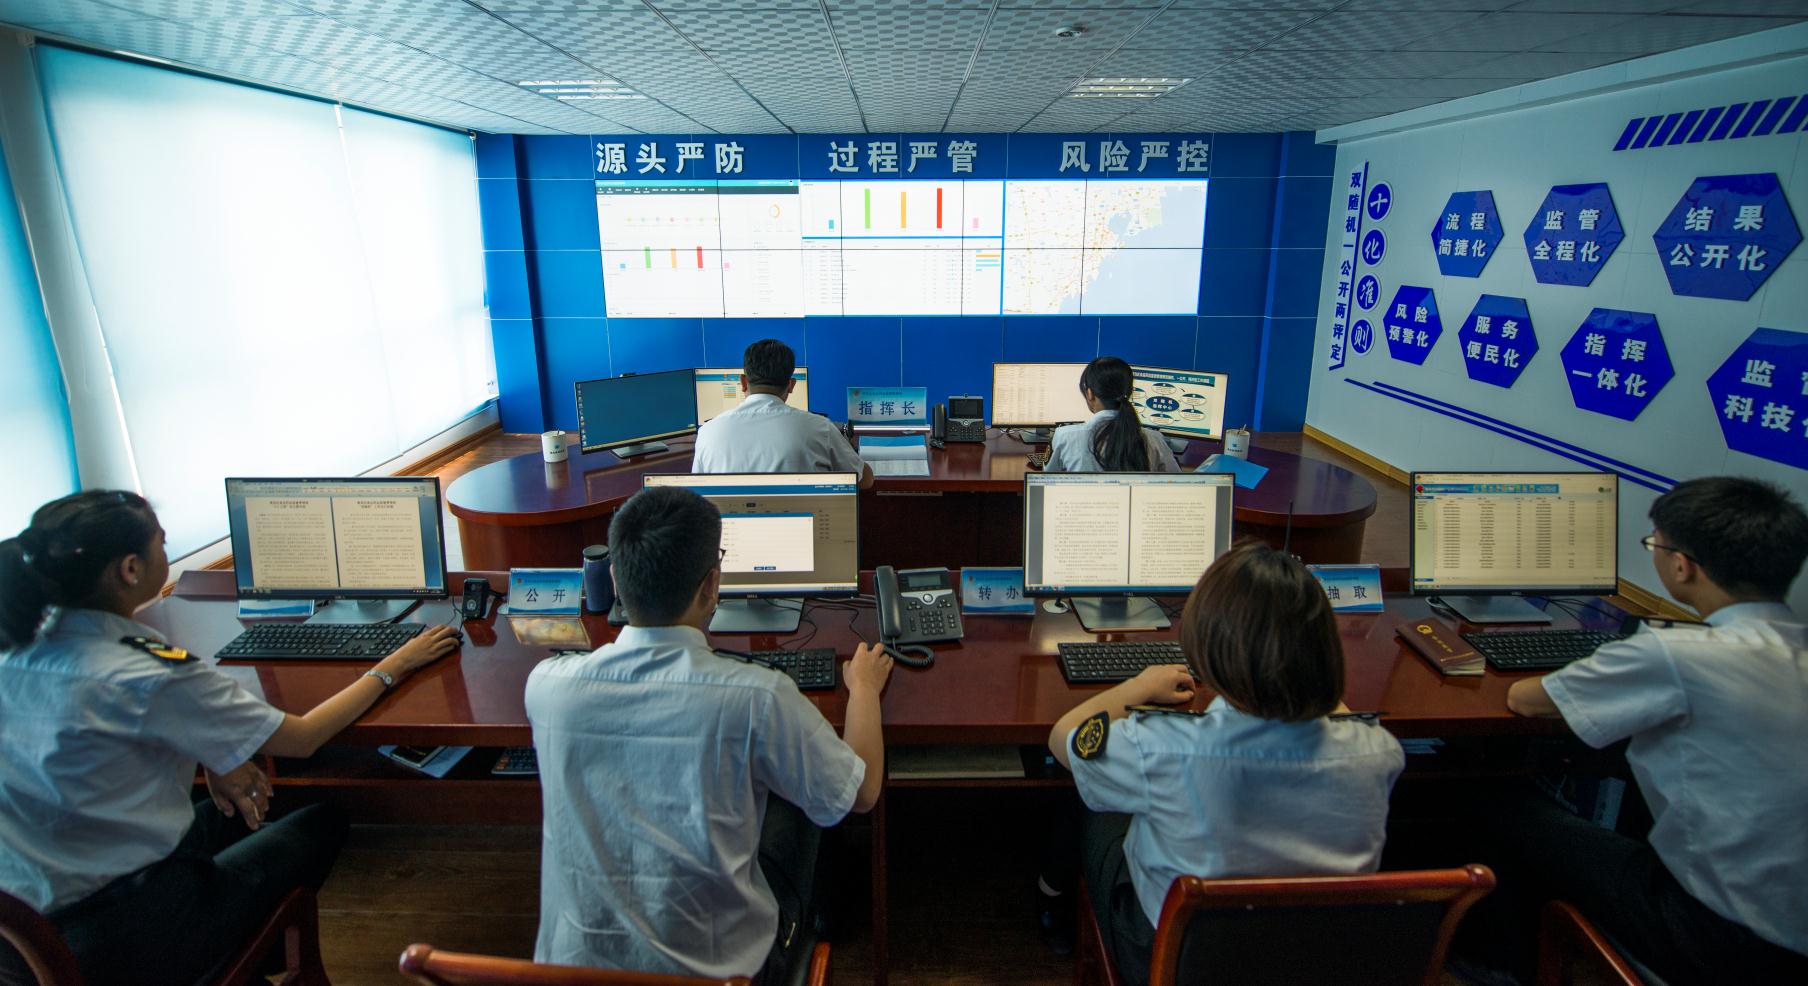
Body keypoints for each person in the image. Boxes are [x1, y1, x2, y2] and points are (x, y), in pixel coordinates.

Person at [0, 490, 460, 986]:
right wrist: (394, 665)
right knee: (321, 820)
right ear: (130, 569)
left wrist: (219, 753)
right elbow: (303, 739)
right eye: (162, 543)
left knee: (236, 809)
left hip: (22, 936)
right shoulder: (147, 671)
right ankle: (230, 958)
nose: (167, 551)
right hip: (130, 934)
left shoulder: (17, 649)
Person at [526, 485, 891, 983]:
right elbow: (863, 793)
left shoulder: (547, 688)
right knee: (808, 798)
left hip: (572, 974)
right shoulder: (758, 698)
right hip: (727, 974)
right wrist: (864, 688)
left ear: (614, 579)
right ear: (711, 585)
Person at [1477, 476, 1808, 983]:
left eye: (1655, 544)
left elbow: (1527, 700)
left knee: (1503, 806)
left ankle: (1500, 967)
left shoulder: (1677, 653)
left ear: (1682, 565)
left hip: (1721, 935)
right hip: (1792, 929)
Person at [1045, 541, 1404, 986]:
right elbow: (1336, 714)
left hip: (1177, 959)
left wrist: (1139, 685)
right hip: (1313, 959)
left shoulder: (1163, 748)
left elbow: (1064, 738)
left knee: (1093, 798)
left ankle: (1052, 901)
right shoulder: (1379, 751)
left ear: (1207, 649)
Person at [691, 338, 874, 488]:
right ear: (791, 385)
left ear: (744, 382)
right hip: (804, 522)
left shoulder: (708, 431)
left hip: (729, 523)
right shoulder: (820, 428)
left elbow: (698, 489)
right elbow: (865, 480)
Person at [1043, 356, 1181, 473]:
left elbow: (1046, 479)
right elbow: (1177, 482)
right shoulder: (1154, 439)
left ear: (1089, 393)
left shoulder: (1065, 436)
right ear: (1130, 392)